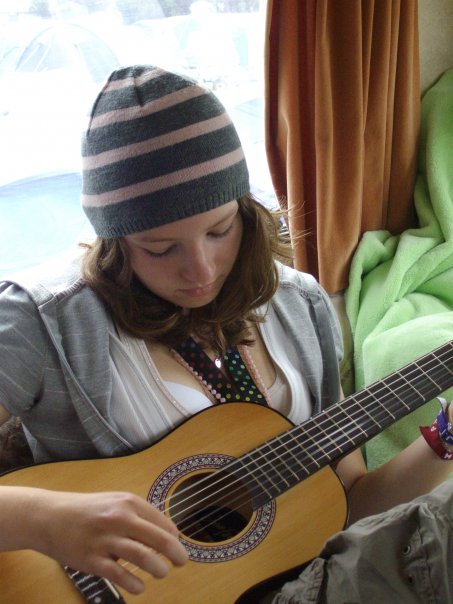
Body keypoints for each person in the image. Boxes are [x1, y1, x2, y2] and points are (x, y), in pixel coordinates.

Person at [0, 64, 452, 602]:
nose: (201, 270)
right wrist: (42, 519)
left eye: (220, 230)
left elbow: (350, 505)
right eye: (160, 248)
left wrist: (445, 437)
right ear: (116, 243)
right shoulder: (41, 322)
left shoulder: (300, 305)